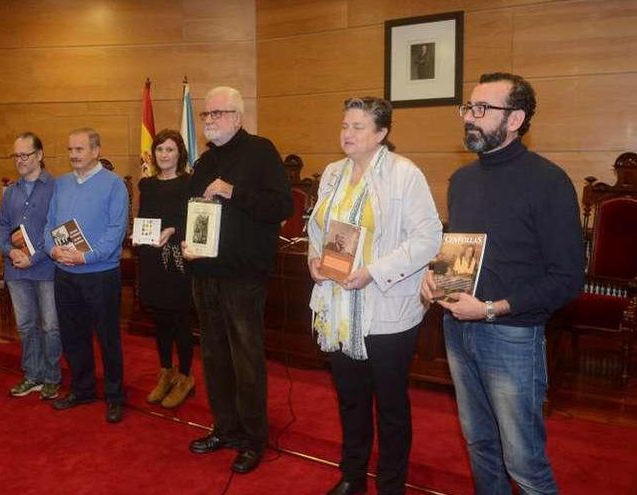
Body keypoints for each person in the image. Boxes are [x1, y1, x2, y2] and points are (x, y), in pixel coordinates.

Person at [420, 72, 584, 494]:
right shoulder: (463, 180)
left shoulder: (548, 181)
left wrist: (492, 308)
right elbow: (463, 253)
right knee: (480, 446)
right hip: (457, 329)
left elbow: (567, 279)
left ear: (515, 120)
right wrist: (435, 277)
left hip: (511, 337)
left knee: (524, 463)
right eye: (467, 108)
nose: (469, 117)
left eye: (481, 109)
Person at [308, 97, 442, 495]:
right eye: (345, 125)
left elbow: (428, 238)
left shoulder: (404, 174)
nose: (347, 134)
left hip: (386, 311)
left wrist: (373, 272)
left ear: (381, 133)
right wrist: (314, 259)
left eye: (358, 127)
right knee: (350, 400)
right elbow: (318, 227)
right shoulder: (333, 172)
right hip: (337, 307)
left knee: (390, 408)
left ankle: (390, 484)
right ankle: (351, 476)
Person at [184, 86, 292, 474]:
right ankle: (225, 428)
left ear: (238, 116)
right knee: (213, 357)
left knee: (246, 359)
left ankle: (253, 438)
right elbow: (196, 212)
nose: (209, 120)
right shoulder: (203, 161)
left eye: (218, 113)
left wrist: (234, 191)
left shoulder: (261, 151)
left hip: (243, 277)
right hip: (205, 274)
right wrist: (188, 242)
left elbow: (282, 206)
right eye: (206, 114)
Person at [45, 127, 129, 424]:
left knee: (107, 338)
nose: (73, 155)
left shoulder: (114, 184)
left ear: (96, 151)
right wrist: (52, 250)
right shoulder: (62, 183)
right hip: (64, 273)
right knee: (73, 335)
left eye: (79, 150)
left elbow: (117, 230)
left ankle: (115, 396)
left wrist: (87, 256)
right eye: (70, 150)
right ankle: (82, 389)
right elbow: (50, 222)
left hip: (100, 274)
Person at [0, 132, 61, 400]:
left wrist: (33, 257)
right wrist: (10, 252)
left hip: (46, 268)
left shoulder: (57, 187)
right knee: (25, 325)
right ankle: (32, 375)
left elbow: (57, 230)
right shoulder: (10, 191)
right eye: (16, 156)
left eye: (25, 155)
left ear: (39, 155)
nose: (20, 160)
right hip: (16, 270)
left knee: (50, 326)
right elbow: (1, 228)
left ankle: (51, 377)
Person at [137, 129, 194, 408]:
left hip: (178, 261)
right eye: (160, 150)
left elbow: (197, 222)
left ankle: (185, 377)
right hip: (152, 260)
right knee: (160, 322)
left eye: (170, 150)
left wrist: (174, 229)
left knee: (181, 322)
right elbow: (143, 218)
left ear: (179, 153)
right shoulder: (146, 185)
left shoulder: (190, 183)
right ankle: (165, 373)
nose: (164, 155)